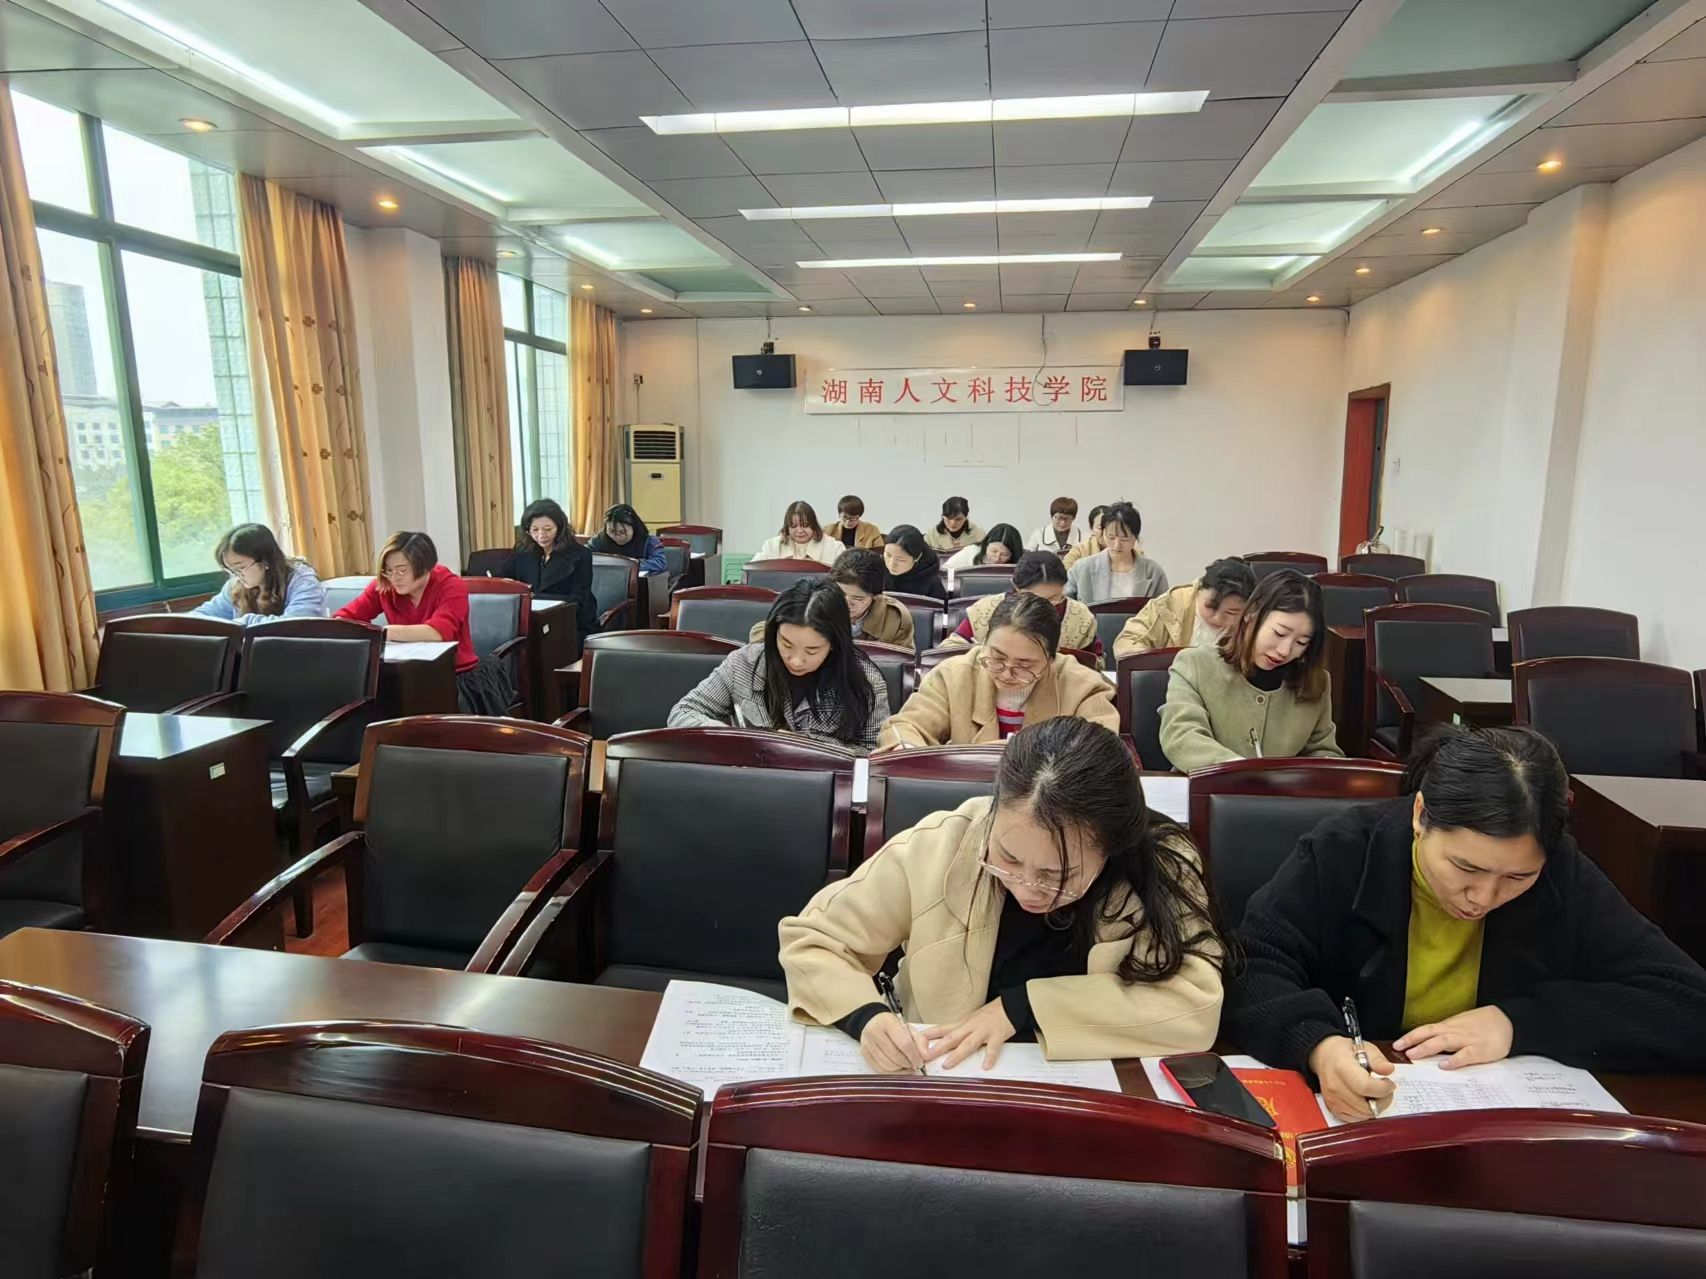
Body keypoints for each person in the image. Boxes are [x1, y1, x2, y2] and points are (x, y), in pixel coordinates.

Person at [1226, 725, 1706, 1122]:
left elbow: (1688, 1003)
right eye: (1465, 867)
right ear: (1420, 816)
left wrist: (1520, 1022)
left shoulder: (1561, 874)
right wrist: (1319, 1045)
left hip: (1494, 1130)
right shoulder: (1341, 852)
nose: (1483, 898)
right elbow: (1251, 966)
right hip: (1363, 1116)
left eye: (1516, 877)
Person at [780, 717, 1225, 1068]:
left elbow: (1195, 1006)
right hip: (946, 1079)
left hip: (1089, 1091)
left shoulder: (1159, 863)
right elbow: (815, 940)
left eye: (1057, 874)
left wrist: (1023, 1007)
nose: (1027, 887)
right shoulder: (943, 844)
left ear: (1112, 848)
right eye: (1008, 858)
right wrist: (866, 1017)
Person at [668, 578, 891, 753]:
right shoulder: (745, 663)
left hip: (824, 787)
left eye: (812, 651)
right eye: (786, 644)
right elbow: (683, 713)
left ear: (834, 644)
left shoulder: (866, 680)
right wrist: (731, 737)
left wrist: (808, 749)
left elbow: (876, 753)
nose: (795, 660)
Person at [878, 592, 1118, 749]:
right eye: (997, 658)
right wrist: (906, 748)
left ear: (1051, 659)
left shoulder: (1082, 686)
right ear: (983, 643)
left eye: (1024, 665)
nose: (1006, 674)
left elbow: (1101, 750)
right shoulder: (953, 675)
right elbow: (906, 727)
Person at [1159, 571, 1342, 773]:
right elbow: (1182, 736)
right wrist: (1244, 773)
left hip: (1283, 793)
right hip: (1208, 788)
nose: (1285, 651)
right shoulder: (1195, 665)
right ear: (1251, 614)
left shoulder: (1315, 682)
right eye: (1279, 633)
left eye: (1301, 642)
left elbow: (1323, 751)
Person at [334, 531, 514, 714]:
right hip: (403, 675)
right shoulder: (386, 585)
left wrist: (383, 632)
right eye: (388, 570)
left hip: (452, 676)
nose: (394, 577)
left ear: (425, 567)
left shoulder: (451, 586)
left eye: (402, 570)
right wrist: (339, 627)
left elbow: (437, 633)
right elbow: (346, 616)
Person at [942, 550, 1101, 657]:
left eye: (1054, 598)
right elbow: (949, 650)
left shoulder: (1080, 617)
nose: (1045, 606)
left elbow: (1095, 663)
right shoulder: (985, 610)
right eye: (1034, 598)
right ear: (1016, 587)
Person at [749, 549, 914, 650]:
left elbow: (900, 664)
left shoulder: (894, 617)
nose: (846, 602)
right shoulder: (813, 599)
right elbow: (759, 635)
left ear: (875, 597)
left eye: (858, 598)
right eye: (840, 593)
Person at [499, 498, 599, 650]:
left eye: (547, 529)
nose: (541, 535)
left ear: (559, 528)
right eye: (535, 530)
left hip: (570, 622)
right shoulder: (522, 551)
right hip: (530, 622)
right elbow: (508, 582)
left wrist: (537, 599)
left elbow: (580, 597)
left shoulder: (580, 554)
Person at [1115, 557, 1256, 660]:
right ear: (1199, 590)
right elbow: (1127, 641)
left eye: (1231, 613)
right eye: (1209, 606)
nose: (1217, 618)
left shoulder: (1254, 623)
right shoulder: (1169, 605)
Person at [192, 523, 326, 626]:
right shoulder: (236, 584)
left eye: (240, 568)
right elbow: (206, 615)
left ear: (266, 560)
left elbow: (297, 625)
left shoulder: (302, 580)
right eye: (231, 570)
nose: (237, 575)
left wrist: (243, 622)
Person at [1065, 502, 1169, 604]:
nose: (1117, 545)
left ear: (1135, 537)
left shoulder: (1153, 572)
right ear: (1103, 534)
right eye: (1111, 537)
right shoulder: (1082, 568)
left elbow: (1164, 609)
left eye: (1124, 539)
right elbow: (1064, 606)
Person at [755, 500, 842, 566]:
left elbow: (846, 575)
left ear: (814, 525)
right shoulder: (771, 546)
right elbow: (752, 570)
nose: (799, 531)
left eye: (805, 525)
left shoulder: (834, 547)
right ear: (787, 527)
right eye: (793, 526)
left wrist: (820, 566)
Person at [941, 522, 1025, 591]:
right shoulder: (971, 552)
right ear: (986, 544)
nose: (997, 558)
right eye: (994, 551)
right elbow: (944, 572)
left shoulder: (1023, 561)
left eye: (1004, 554)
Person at [589, 503, 667, 574]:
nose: (617, 536)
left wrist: (628, 564)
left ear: (634, 528)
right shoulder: (599, 540)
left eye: (622, 532)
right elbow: (584, 557)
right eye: (611, 531)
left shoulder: (649, 541)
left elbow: (660, 563)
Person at [881, 525, 949, 603]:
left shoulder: (932, 582)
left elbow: (942, 608)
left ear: (917, 558)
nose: (891, 564)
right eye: (888, 555)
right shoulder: (876, 569)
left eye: (900, 559)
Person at [1060, 505, 1109, 569]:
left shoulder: (1120, 548)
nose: (1105, 532)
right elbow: (1065, 571)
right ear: (1091, 528)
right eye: (1100, 527)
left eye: (1108, 527)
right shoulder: (1080, 549)